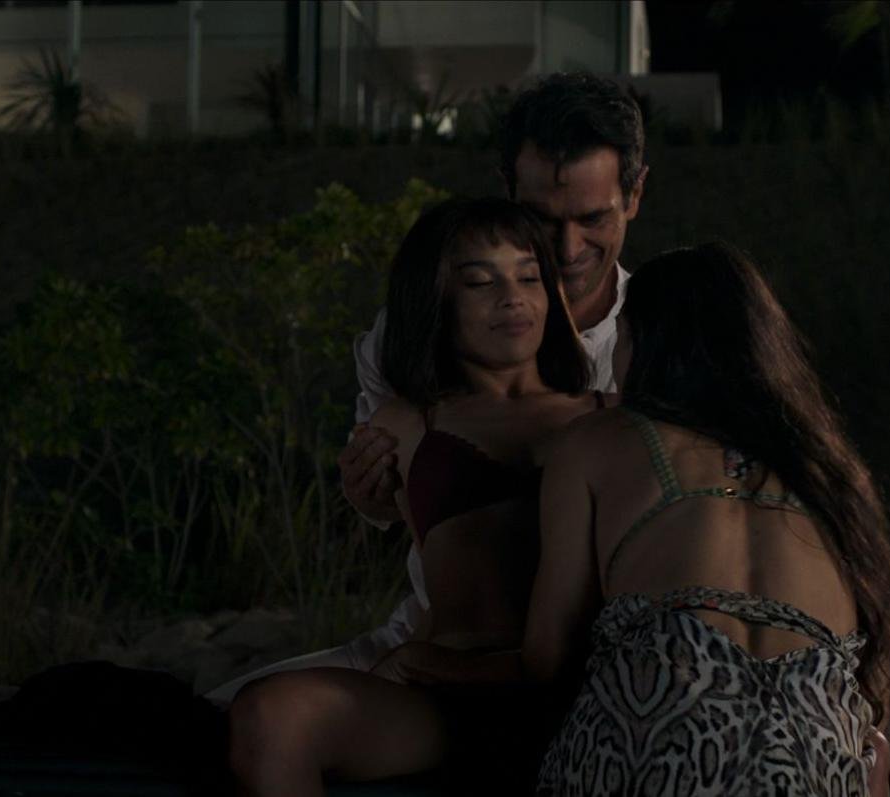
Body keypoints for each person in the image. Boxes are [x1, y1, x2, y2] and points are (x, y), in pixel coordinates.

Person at [206, 71, 649, 704]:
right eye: (540, 219)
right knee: (221, 716)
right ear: (506, 190)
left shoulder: (657, 337)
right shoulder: (414, 335)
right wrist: (372, 495)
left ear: (634, 195)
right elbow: (395, 497)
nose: (566, 247)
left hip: (597, 661)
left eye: (592, 218)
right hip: (434, 636)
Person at [225, 197, 610, 796]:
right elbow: (390, 515)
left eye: (530, 277)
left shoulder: (612, 415)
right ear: (436, 301)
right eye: (480, 282)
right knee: (273, 716)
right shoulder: (406, 423)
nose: (513, 297)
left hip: (581, 688)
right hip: (449, 691)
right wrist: (370, 500)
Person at [524, 243, 890, 797]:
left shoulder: (593, 442)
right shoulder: (829, 471)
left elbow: (546, 657)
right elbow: (873, 677)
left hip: (660, 754)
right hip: (813, 763)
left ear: (644, 343)